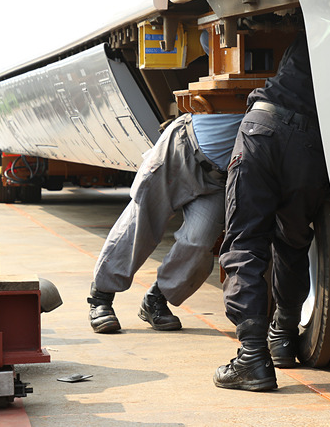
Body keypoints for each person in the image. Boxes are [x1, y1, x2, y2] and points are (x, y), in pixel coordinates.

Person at [89, 33, 244, 333]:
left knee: (199, 243)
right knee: (141, 223)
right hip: (182, 150)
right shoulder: (233, 49)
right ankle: (101, 298)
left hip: (217, 179)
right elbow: (208, 37)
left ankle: (156, 300)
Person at [214, 30, 330, 391]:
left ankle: (252, 356)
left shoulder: (314, 26)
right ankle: (282, 336)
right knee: (293, 241)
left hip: (263, 129)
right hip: (310, 145)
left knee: (246, 242)